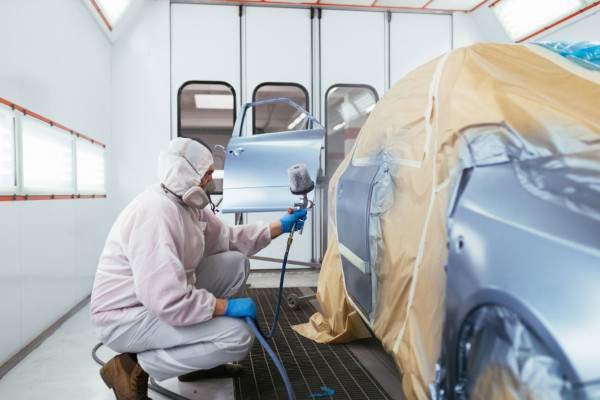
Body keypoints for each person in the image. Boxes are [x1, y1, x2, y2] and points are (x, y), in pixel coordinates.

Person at [90, 137, 307, 400]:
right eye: (207, 174)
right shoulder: (155, 214)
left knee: (235, 263)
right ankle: (131, 366)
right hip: (126, 317)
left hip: (153, 299)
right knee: (238, 336)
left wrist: (279, 226)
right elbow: (168, 300)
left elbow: (229, 238)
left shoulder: (186, 205)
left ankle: (198, 365)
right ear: (186, 174)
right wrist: (226, 308)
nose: (211, 180)